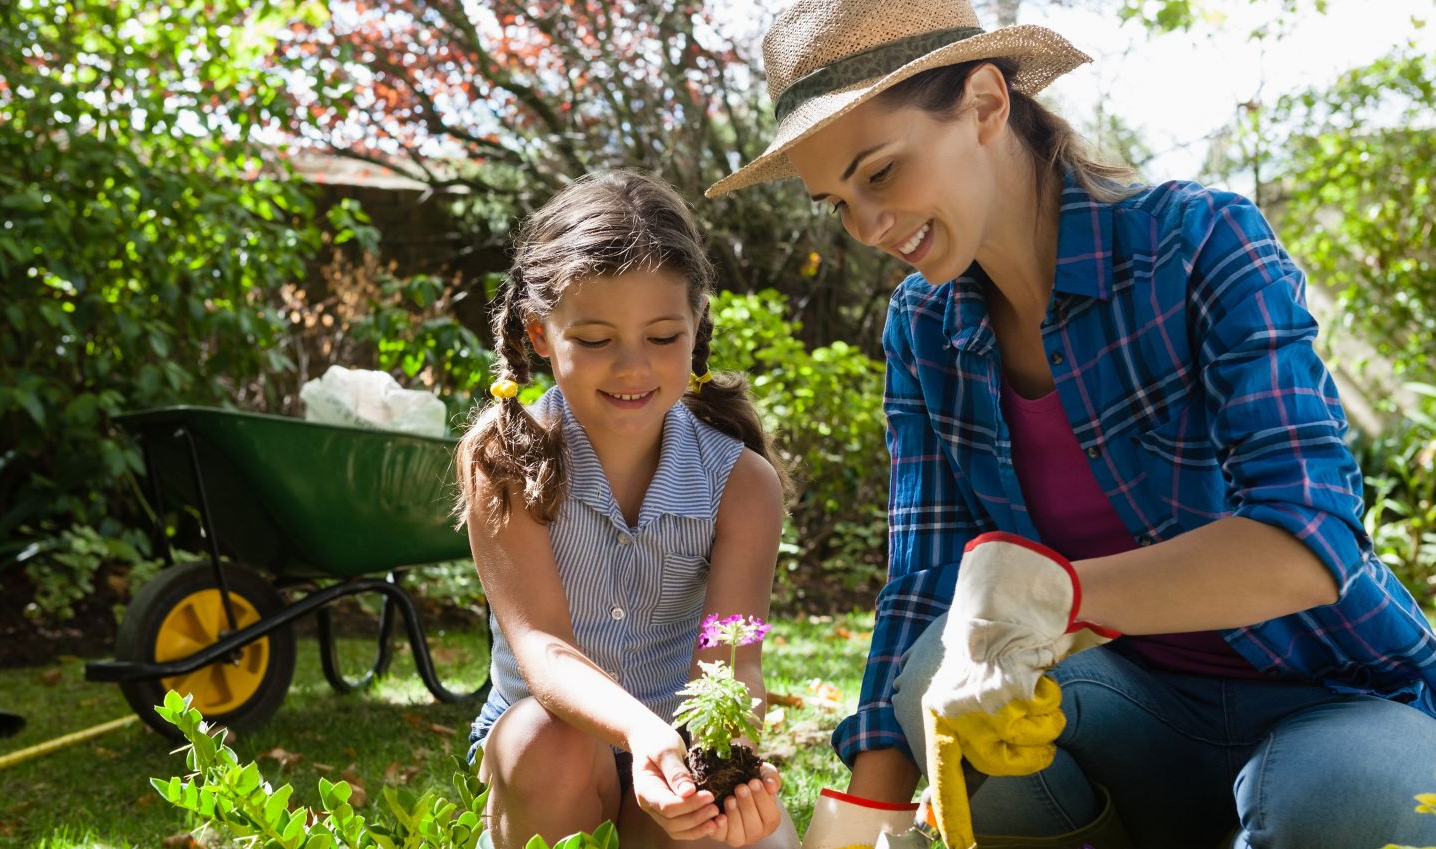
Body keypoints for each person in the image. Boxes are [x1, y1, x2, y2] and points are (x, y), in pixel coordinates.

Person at [705, 1, 1436, 847]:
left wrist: (1062, 596)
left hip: (1332, 703)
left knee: (1331, 801)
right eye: (836, 202)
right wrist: (863, 814)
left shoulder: (1198, 243)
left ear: (984, 102)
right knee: (933, 669)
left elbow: (1309, 540)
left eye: (879, 173)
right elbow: (923, 575)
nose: (866, 228)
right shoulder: (924, 328)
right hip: (1126, 718)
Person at [457, 170, 801, 849]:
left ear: (696, 326)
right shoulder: (504, 459)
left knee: (728, 822)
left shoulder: (740, 483)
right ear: (537, 333)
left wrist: (716, 759)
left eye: (662, 336)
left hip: (677, 744)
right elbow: (544, 650)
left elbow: (731, 659)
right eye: (593, 339)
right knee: (546, 744)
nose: (631, 368)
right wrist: (639, 730)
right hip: (546, 739)